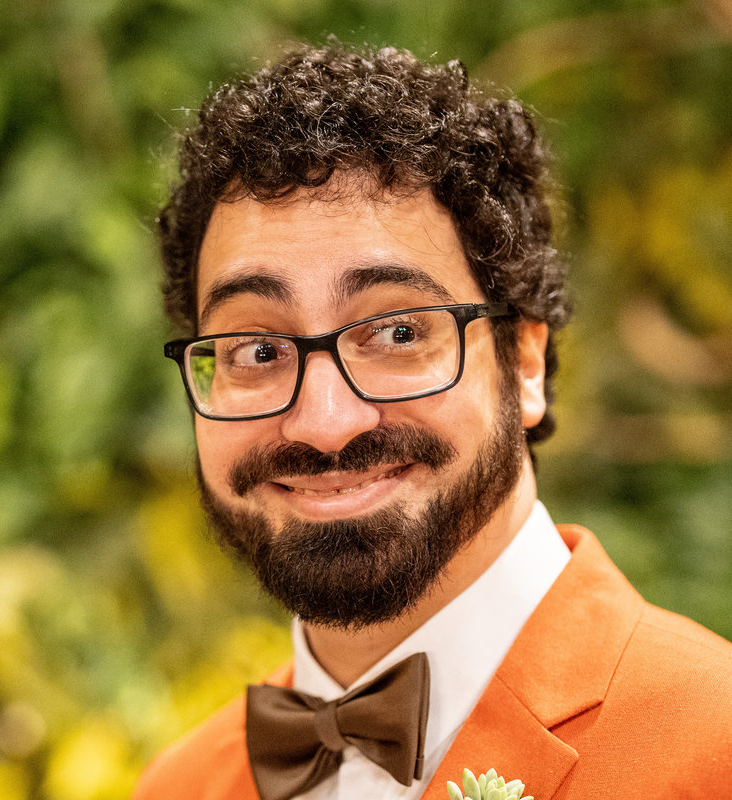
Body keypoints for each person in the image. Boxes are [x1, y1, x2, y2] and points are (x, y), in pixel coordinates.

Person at [133, 40, 732, 800]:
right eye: (257, 348)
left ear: (525, 362)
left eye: (398, 332)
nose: (324, 423)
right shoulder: (177, 786)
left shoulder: (716, 747)